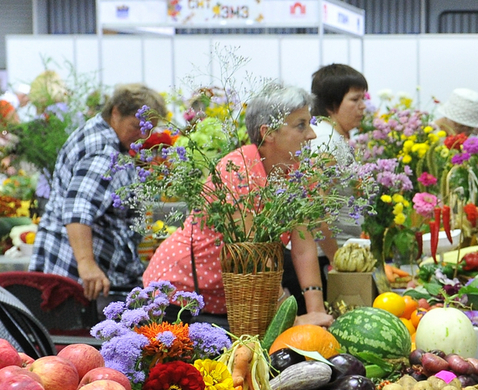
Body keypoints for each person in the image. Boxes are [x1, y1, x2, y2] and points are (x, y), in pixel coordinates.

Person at [143, 84, 333, 328]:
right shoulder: (238, 171)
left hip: (231, 298)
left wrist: (318, 314)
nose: (312, 135)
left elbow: (304, 247)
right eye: (301, 125)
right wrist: (292, 320)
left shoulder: (295, 172)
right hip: (179, 295)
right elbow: (252, 255)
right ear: (269, 133)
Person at [30, 83, 167, 300]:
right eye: (136, 126)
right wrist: (87, 264)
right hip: (80, 276)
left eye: (149, 129)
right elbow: (79, 208)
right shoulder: (105, 152)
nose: (143, 135)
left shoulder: (98, 132)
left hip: (68, 263)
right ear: (115, 112)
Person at [310, 63, 368, 258]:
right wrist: (337, 260)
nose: (362, 106)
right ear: (331, 104)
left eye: (363, 98)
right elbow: (317, 210)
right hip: (325, 257)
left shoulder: (332, 136)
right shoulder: (325, 141)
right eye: (355, 99)